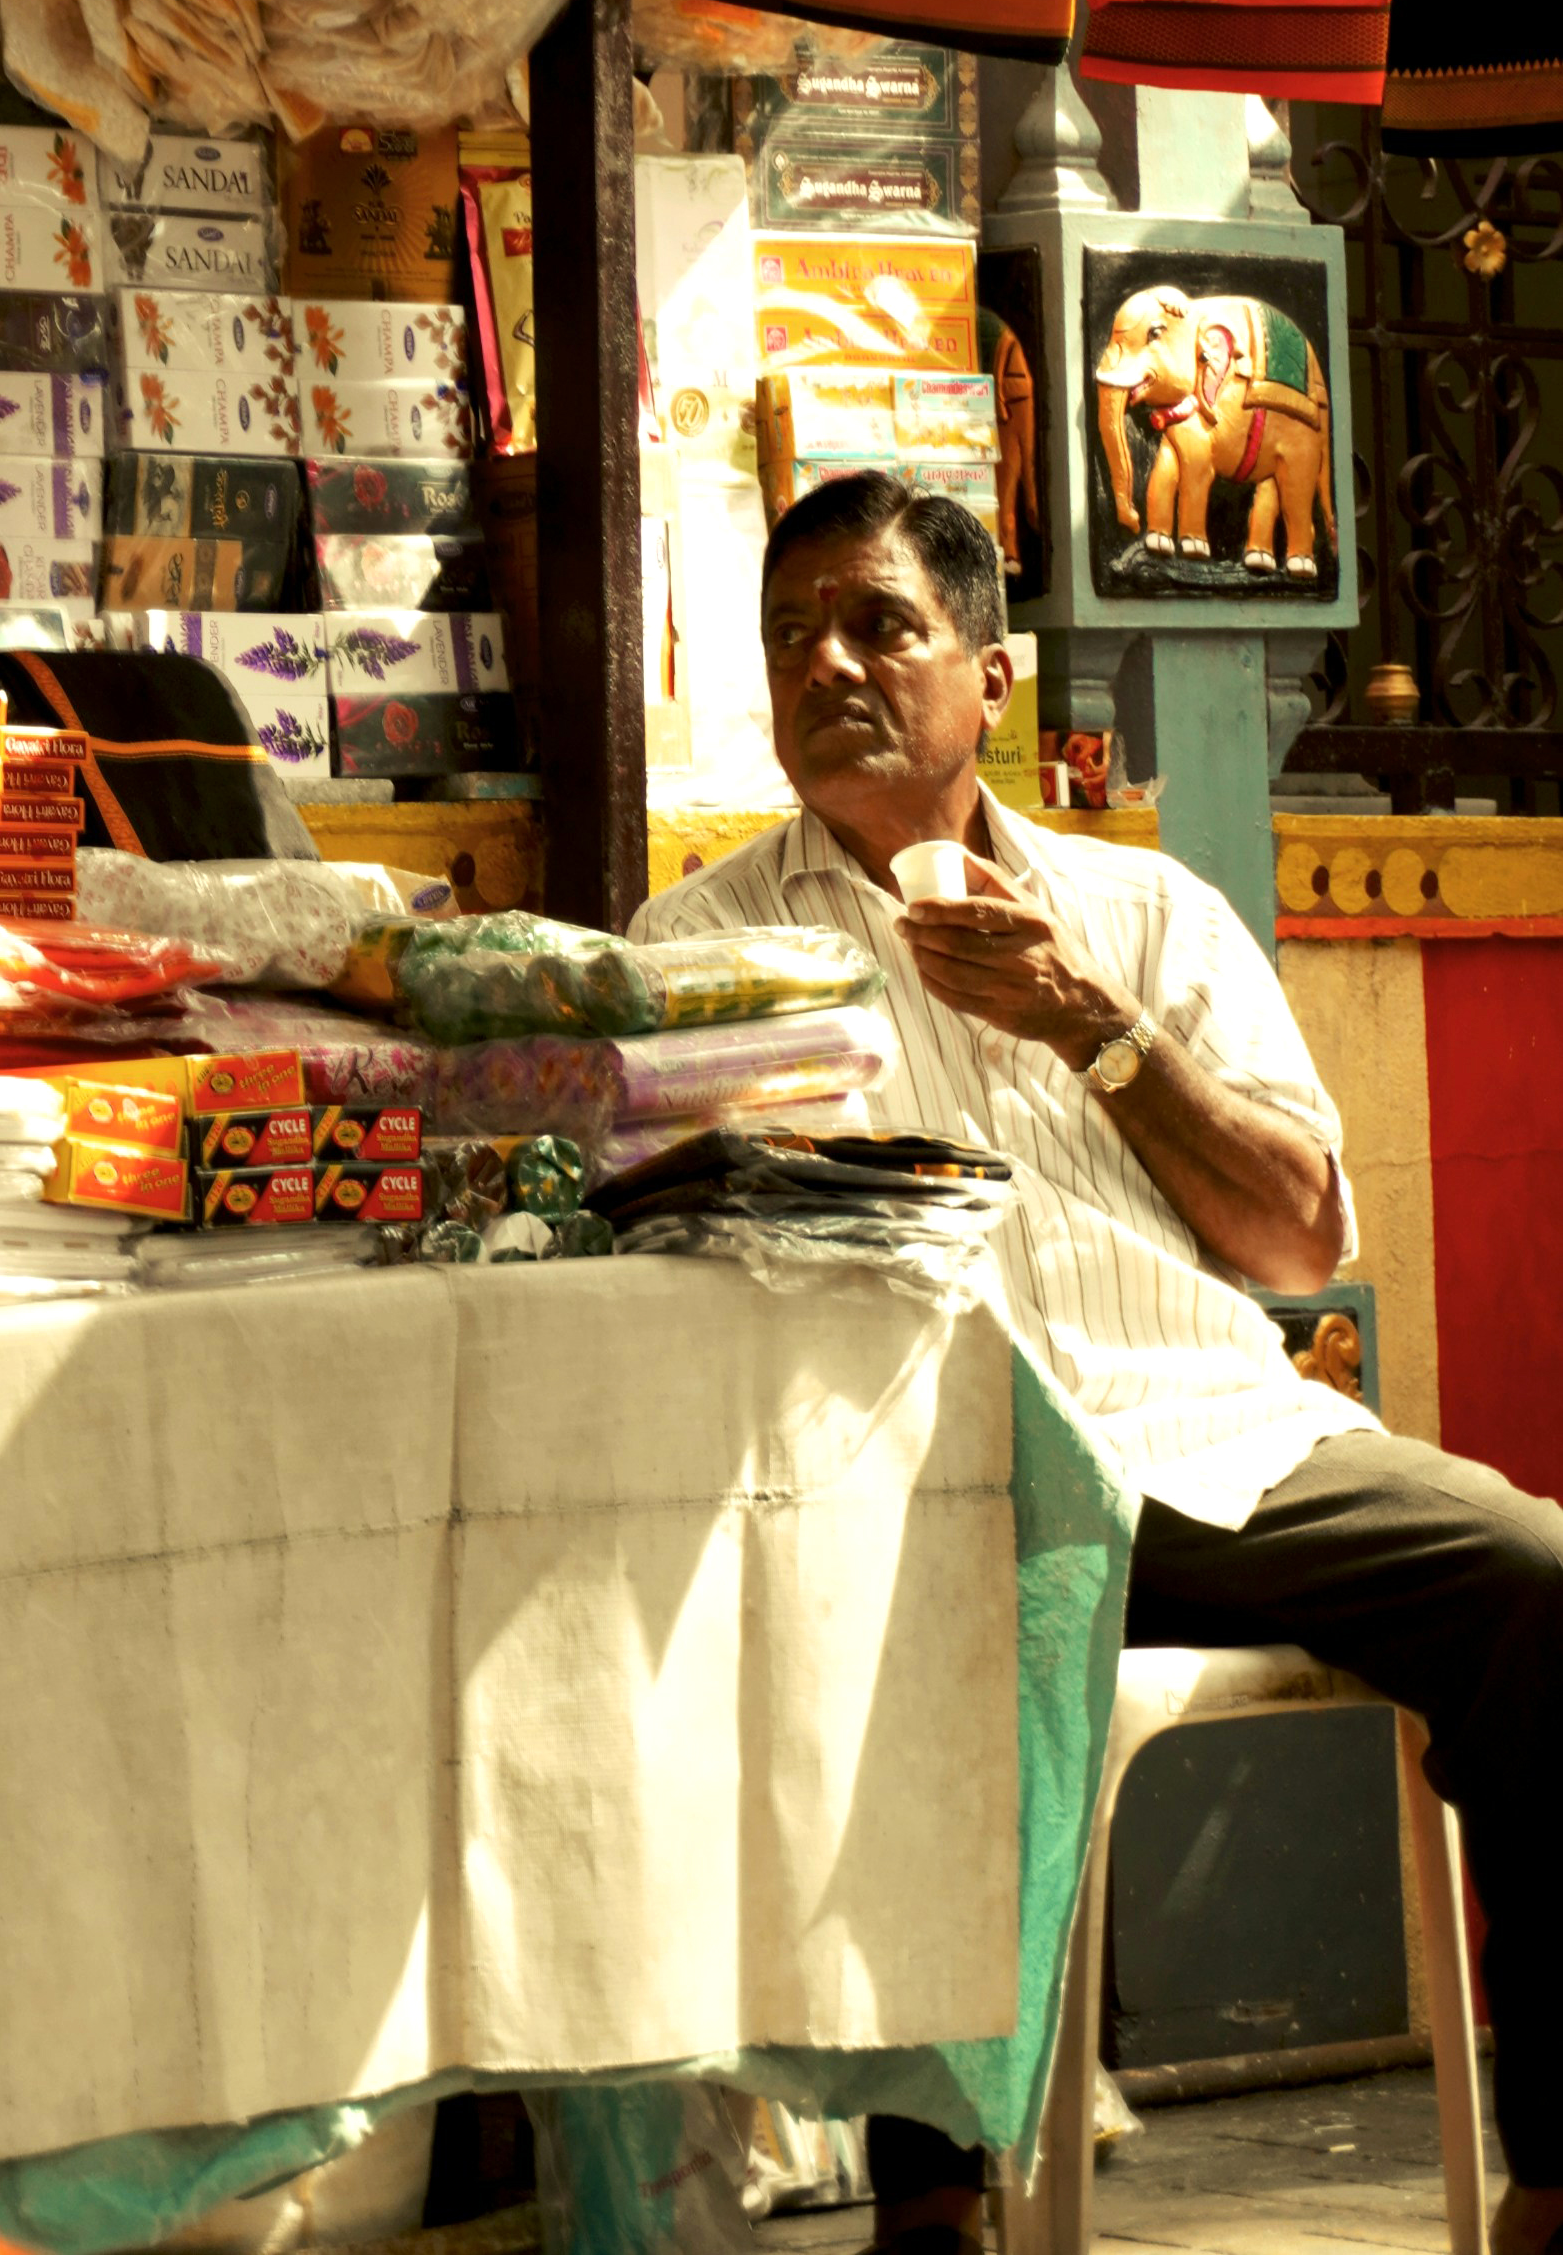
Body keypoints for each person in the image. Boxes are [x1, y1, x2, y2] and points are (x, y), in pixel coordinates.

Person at [633, 469, 1562, 2255]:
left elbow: (1299, 1242)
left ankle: (1562, 2171)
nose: (826, 662)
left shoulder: (1145, 913)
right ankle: (936, 2199)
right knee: (888, 1612)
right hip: (914, 1467)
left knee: (1537, 1576)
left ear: (992, 670)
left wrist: (1090, 1024)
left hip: (1216, 1435)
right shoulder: (697, 957)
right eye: (786, 634)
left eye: (878, 622)